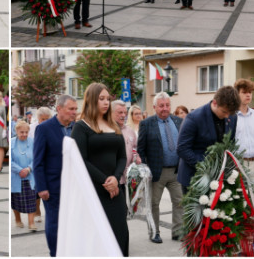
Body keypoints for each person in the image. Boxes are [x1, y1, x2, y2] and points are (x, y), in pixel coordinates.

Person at [71, 83, 128, 255]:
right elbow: (80, 159)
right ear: (91, 100)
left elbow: (122, 157)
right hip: (93, 190)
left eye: (107, 99)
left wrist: (115, 179)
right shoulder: (81, 127)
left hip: (115, 189)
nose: (105, 103)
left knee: (120, 233)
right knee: (97, 237)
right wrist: (105, 180)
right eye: (101, 99)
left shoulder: (114, 125)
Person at [33, 94, 77, 257]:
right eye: (71, 109)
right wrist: (42, 187)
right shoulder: (44, 128)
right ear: (59, 109)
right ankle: (55, 253)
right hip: (53, 187)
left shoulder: (76, 128)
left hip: (74, 185)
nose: (74, 112)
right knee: (54, 223)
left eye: (75, 109)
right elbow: (38, 160)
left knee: (72, 222)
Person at [137, 92, 184, 243]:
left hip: (176, 171)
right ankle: (154, 232)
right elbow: (141, 149)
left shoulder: (178, 121)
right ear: (154, 107)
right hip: (156, 172)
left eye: (167, 105)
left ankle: (178, 232)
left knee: (179, 201)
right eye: (161, 106)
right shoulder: (146, 123)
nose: (165, 108)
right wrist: (145, 170)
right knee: (154, 203)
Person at [176, 86, 240, 192]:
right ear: (215, 103)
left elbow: (230, 143)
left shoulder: (232, 117)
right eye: (224, 112)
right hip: (194, 178)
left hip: (221, 178)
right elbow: (182, 149)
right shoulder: (194, 118)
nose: (227, 116)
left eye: (230, 113)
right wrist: (207, 167)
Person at [233, 79, 254, 199]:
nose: (248, 95)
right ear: (237, 94)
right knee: (239, 200)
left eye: (250, 92)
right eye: (244, 92)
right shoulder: (232, 116)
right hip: (238, 164)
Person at [11, 120, 37, 231]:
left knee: (31, 200)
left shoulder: (32, 142)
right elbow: (10, 161)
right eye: (22, 132)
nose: (24, 134)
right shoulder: (12, 142)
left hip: (30, 176)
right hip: (16, 177)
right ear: (16, 131)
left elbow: (37, 158)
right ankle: (18, 220)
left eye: (26, 132)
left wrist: (28, 169)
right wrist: (19, 170)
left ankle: (31, 223)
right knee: (16, 200)